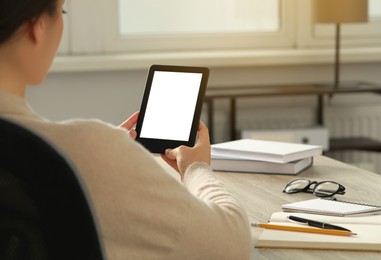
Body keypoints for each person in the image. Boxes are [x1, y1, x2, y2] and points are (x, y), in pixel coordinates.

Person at [0, 0, 252, 259]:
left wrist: (107, 151)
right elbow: (230, 245)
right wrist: (197, 169)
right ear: (38, 26)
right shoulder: (92, 151)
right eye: (62, 11)